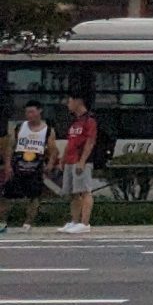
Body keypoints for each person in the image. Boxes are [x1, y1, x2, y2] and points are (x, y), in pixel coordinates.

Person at [6, 102, 54, 233]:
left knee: (34, 196)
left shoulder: (47, 130)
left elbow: (52, 150)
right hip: (18, 166)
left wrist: (50, 164)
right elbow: (10, 147)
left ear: (39, 111)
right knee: (7, 195)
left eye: (32, 112)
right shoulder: (19, 128)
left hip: (36, 167)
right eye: (27, 112)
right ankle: (3, 222)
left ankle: (27, 223)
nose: (29, 115)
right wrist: (8, 165)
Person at [57, 92, 99, 233]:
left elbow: (90, 141)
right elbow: (70, 142)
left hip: (81, 160)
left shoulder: (89, 120)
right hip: (70, 160)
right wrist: (63, 159)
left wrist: (82, 161)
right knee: (73, 193)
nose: (68, 104)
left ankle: (85, 223)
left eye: (70, 101)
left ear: (78, 101)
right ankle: (74, 221)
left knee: (85, 191)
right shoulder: (74, 121)